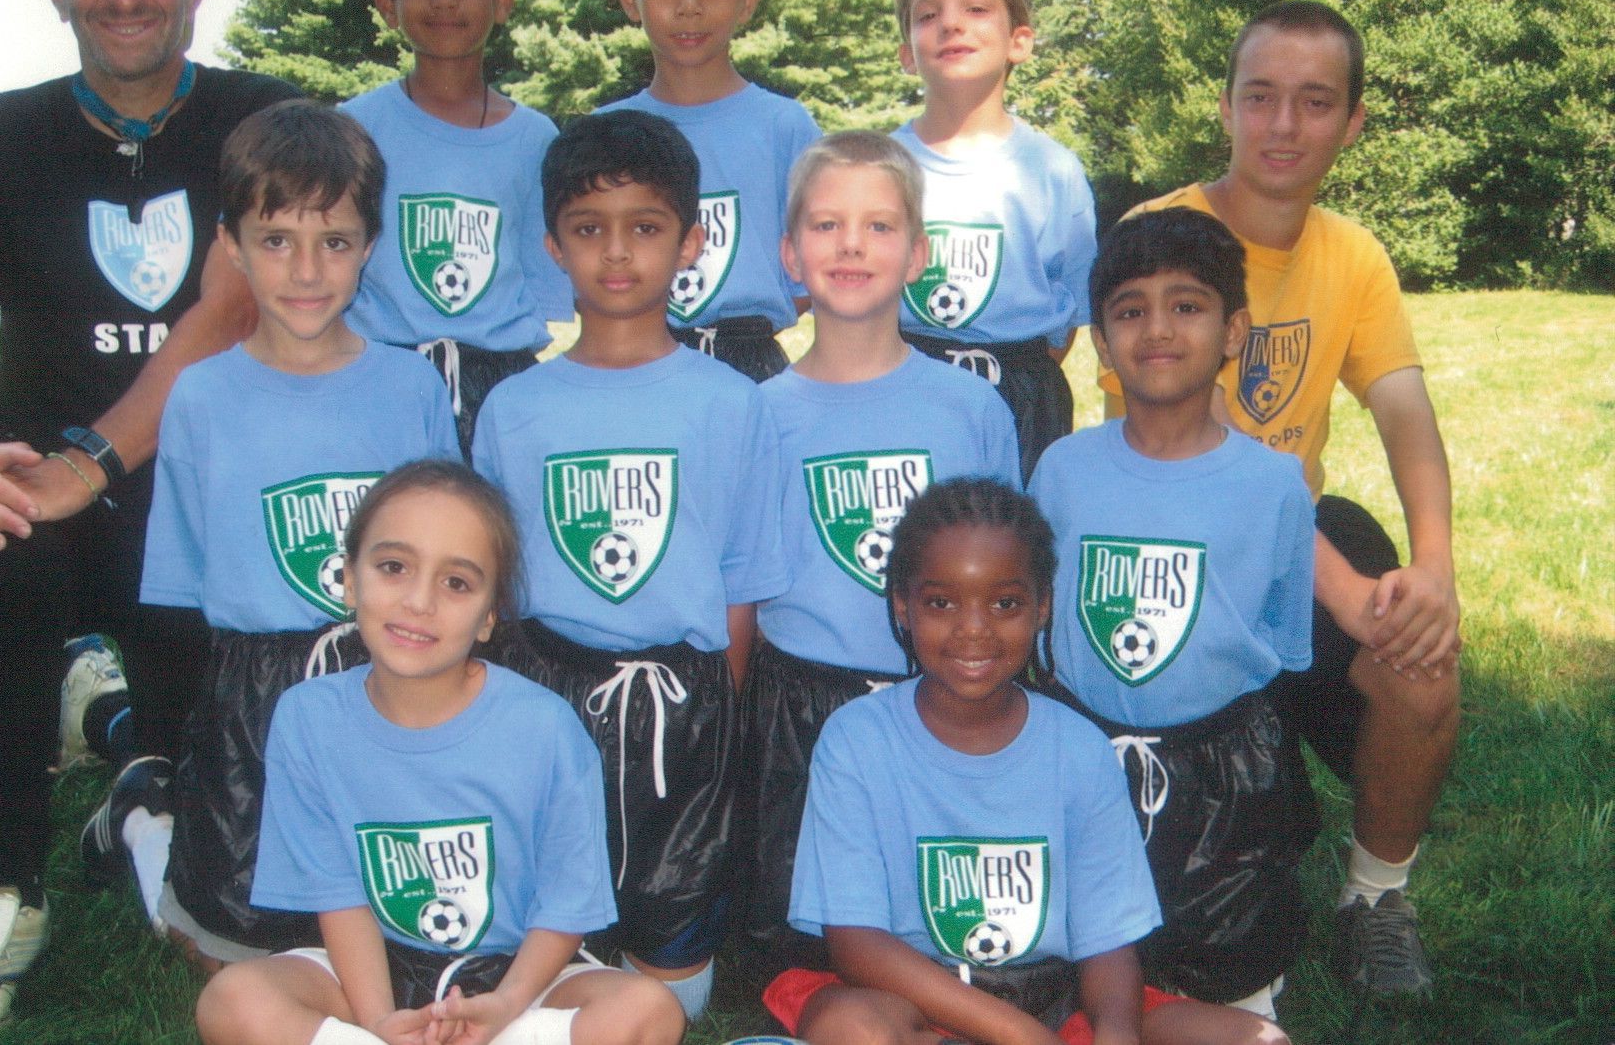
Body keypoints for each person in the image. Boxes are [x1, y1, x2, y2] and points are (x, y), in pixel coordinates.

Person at [0, 0, 298, 1035]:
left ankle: (123, 749)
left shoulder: (261, 118)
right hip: (39, 475)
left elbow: (227, 310)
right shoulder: (2, 132)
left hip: (201, 475)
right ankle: (0, 888)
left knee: (201, 777)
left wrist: (92, 464)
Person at [1105, 0, 1460, 996]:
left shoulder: (1354, 254)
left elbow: (1405, 413)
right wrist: (1347, 593)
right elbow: (1196, 457)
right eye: (1260, 97)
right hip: (1169, 545)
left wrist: (1434, 571)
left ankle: (1376, 898)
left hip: (1296, 539)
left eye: (1315, 101)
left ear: (1352, 122)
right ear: (1225, 107)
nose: (1284, 125)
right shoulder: (1159, 237)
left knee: (1422, 666)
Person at [771, 479, 1286, 1045]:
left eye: (1005, 604)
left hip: (1056, 1000)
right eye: (941, 602)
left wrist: (1116, 1034)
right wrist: (1022, 1037)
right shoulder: (857, 740)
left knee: (1257, 1038)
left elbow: (1107, 942)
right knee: (851, 1028)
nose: (974, 629)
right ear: (902, 605)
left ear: (1042, 608)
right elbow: (856, 946)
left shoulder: (1080, 749)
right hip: (912, 998)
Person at [194, 461, 685, 1045]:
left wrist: (505, 1005)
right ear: (349, 579)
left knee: (649, 1012)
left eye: (457, 583)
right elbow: (340, 897)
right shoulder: (308, 718)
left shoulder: (546, 728)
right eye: (393, 567)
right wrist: (377, 1021)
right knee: (232, 1000)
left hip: (516, 974)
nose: (419, 601)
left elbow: (566, 906)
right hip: (372, 967)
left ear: (489, 616)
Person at [130, 101, 461, 966]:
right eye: (276, 240)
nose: (307, 270)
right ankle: (150, 838)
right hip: (257, 691)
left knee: (412, 929)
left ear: (371, 245)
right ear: (231, 247)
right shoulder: (201, 396)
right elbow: (185, 590)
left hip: (385, 674)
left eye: (335, 241)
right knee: (233, 948)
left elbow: (451, 556)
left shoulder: (411, 389)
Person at [471, 110, 786, 1019]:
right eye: (588, 228)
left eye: (644, 227)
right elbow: (496, 588)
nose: (616, 252)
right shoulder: (515, 407)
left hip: (685, 698)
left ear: (690, 242)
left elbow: (739, 582)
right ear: (553, 246)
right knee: (544, 913)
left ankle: (652, 982)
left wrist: (719, 713)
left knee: (673, 959)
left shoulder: (732, 402)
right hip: (548, 688)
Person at [740, 132, 1020, 977]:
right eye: (826, 225)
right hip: (803, 707)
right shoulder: (759, 414)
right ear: (790, 253)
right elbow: (744, 588)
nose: (851, 245)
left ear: (918, 253)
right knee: (812, 952)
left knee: (945, 931)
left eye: (879, 226)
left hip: (938, 696)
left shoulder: (971, 408)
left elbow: (1009, 579)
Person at [1031, 209, 1317, 1017]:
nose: (1157, 329)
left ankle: (1230, 986)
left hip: (1224, 773)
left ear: (1234, 331)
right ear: (1100, 341)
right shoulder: (1062, 469)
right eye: (1131, 310)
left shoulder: (1274, 485)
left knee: (1224, 968)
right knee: (1068, 972)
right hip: (1084, 753)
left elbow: (1282, 639)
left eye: (1186, 306)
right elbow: (1043, 617)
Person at [342, 0, 570, 458]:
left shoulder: (536, 139)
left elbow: (544, 291)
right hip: (380, 385)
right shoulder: (353, 129)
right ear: (387, 2)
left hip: (503, 390)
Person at [598, 0, 821, 381]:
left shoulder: (785, 127)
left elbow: (810, 276)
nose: (689, 6)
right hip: (635, 365)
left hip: (751, 369)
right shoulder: (607, 133)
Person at [890, 0, 1098, 479]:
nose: (951, 24)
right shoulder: (879, 168)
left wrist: (1008, 376)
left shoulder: (1054, 170)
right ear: (907, 53)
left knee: (1014, 532)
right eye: (928, 14)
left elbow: (1067, 315)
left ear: (1019, 41)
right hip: (903, 389)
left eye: (976, 9)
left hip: (1022, 398)